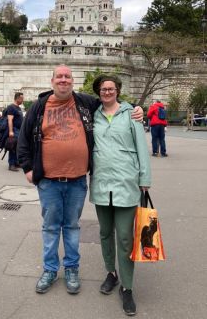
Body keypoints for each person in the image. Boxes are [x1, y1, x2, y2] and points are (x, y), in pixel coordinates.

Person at [17, 65, 143, 295]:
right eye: (59, 77)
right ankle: (50, 270)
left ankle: (72, 268)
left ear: (72, 81)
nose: (63, 80)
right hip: (49, 181)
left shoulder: (85, 102)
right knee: (51, 227)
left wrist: (135, 108)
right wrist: (27, 168)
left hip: (76, 180)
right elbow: (23, 139)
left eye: (67, 77)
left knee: (73, 227)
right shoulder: (39, 106)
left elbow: (110, 100)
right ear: (52, 80)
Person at [90, 74, 151, 316]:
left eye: (111, 88)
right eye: (103, 89)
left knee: (125, 238)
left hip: (127, 182)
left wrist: (145, 178)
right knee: (105, 233)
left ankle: (127, 287)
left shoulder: (131, 114)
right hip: (102, 183)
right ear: (98, 92)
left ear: (118, 90)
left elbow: (141, 148)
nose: (107, 92)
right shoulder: (93, 115)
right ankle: (111, 273)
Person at [5, 92, 24, 171]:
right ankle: (11, 164)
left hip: (19, 130)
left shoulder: (18, 108)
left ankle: (16, 162)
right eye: (21, 98)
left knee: (17, 147)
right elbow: (10, 120)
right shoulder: (11, 107)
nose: (23, 100)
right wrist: (11, 131)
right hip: (14, 129)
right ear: (17, 98)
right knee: (13, 146)